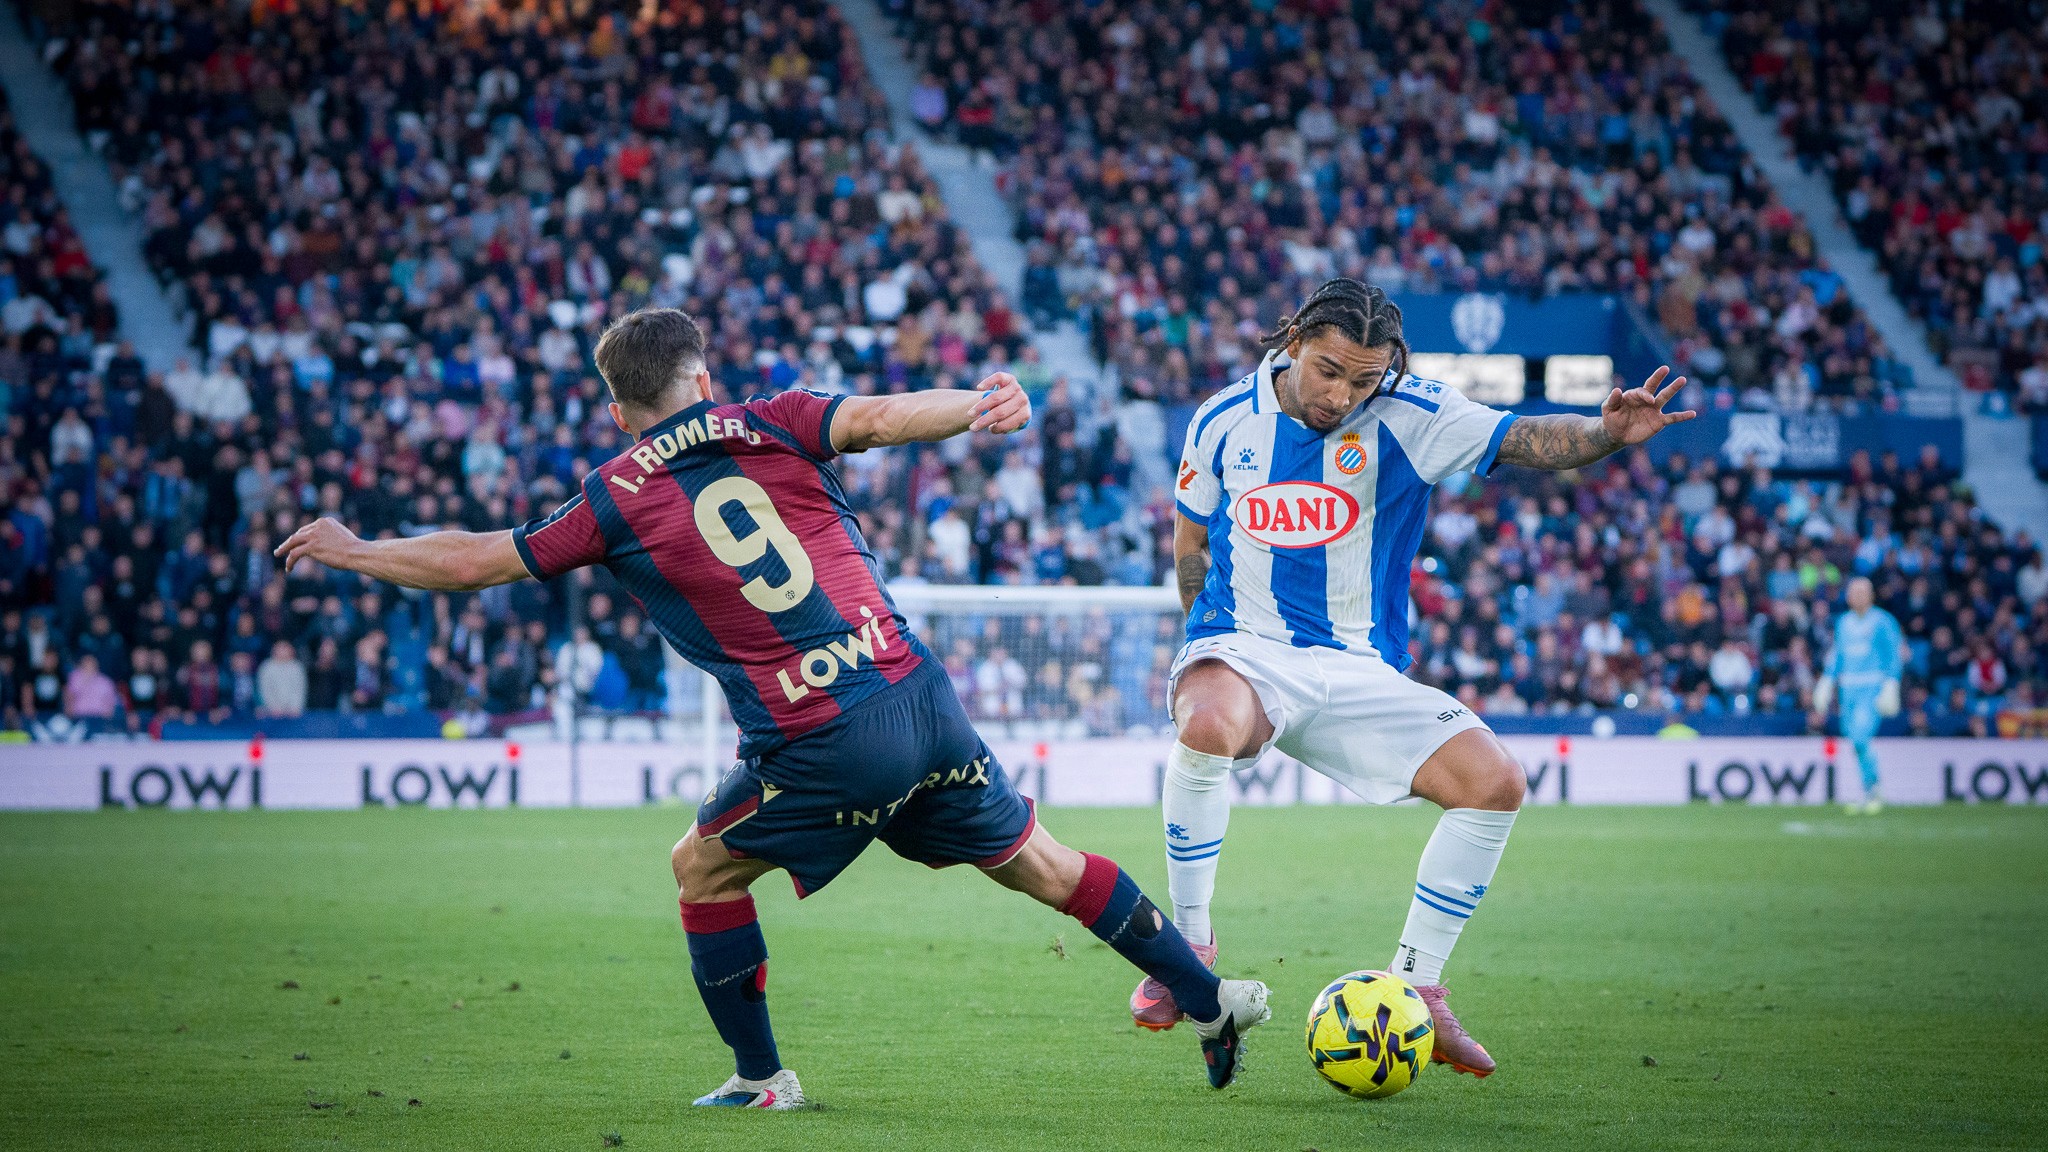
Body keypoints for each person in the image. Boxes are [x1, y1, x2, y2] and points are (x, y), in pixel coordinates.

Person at [275, 308, 1268, 1109]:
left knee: (701, 868)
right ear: (703, 378)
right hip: (920, 694)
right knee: (1043, 865)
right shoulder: (775, 418)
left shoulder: (612, 496)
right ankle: (1209, 997)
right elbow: (881, 418)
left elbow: (475, 561)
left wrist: (354, 548)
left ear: (619, 412)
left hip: (824, 734)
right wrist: (977, 404)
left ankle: (760, 1078)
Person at [1138, 278, 1696, 1077]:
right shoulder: (1223, 418)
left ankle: (1419, 988)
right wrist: (1206, 644)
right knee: (1205, 725)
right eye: (1330, 371)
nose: (1342, 395)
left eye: (1364, 379)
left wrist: (1604, 433)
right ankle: (1188, 953)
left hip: (1360, 668)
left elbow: (1524, 438)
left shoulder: (1416, 413)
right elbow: (1190, 542)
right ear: (1294, 344)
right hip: (1248, 646)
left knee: (1495, 782)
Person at [1812, 576, 1904, 814]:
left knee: (1861, 737)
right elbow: (1838, 655)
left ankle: (1874, 789)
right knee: (1854, 740)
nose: (1857, 597)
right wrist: (1827, 680)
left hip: (1872, 687)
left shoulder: (1883, 621)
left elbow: (1893, 654)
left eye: (1862, 592)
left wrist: (1891, 683)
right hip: (1848, 689)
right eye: (1853, 593)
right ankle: (1868, 790)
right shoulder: (1844, 622)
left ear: (1871, 595)